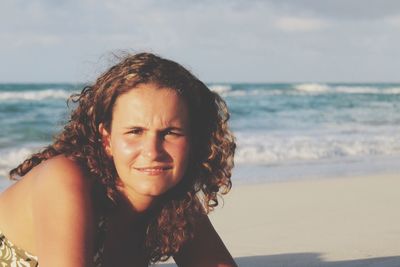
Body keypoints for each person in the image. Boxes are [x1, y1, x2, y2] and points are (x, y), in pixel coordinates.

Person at [0, 52, 237, 266]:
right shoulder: (64, 180)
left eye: (170, 133)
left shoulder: (174, 203)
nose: (152, 152)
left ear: (194, 140)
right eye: (135, 132)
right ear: (107, 140)